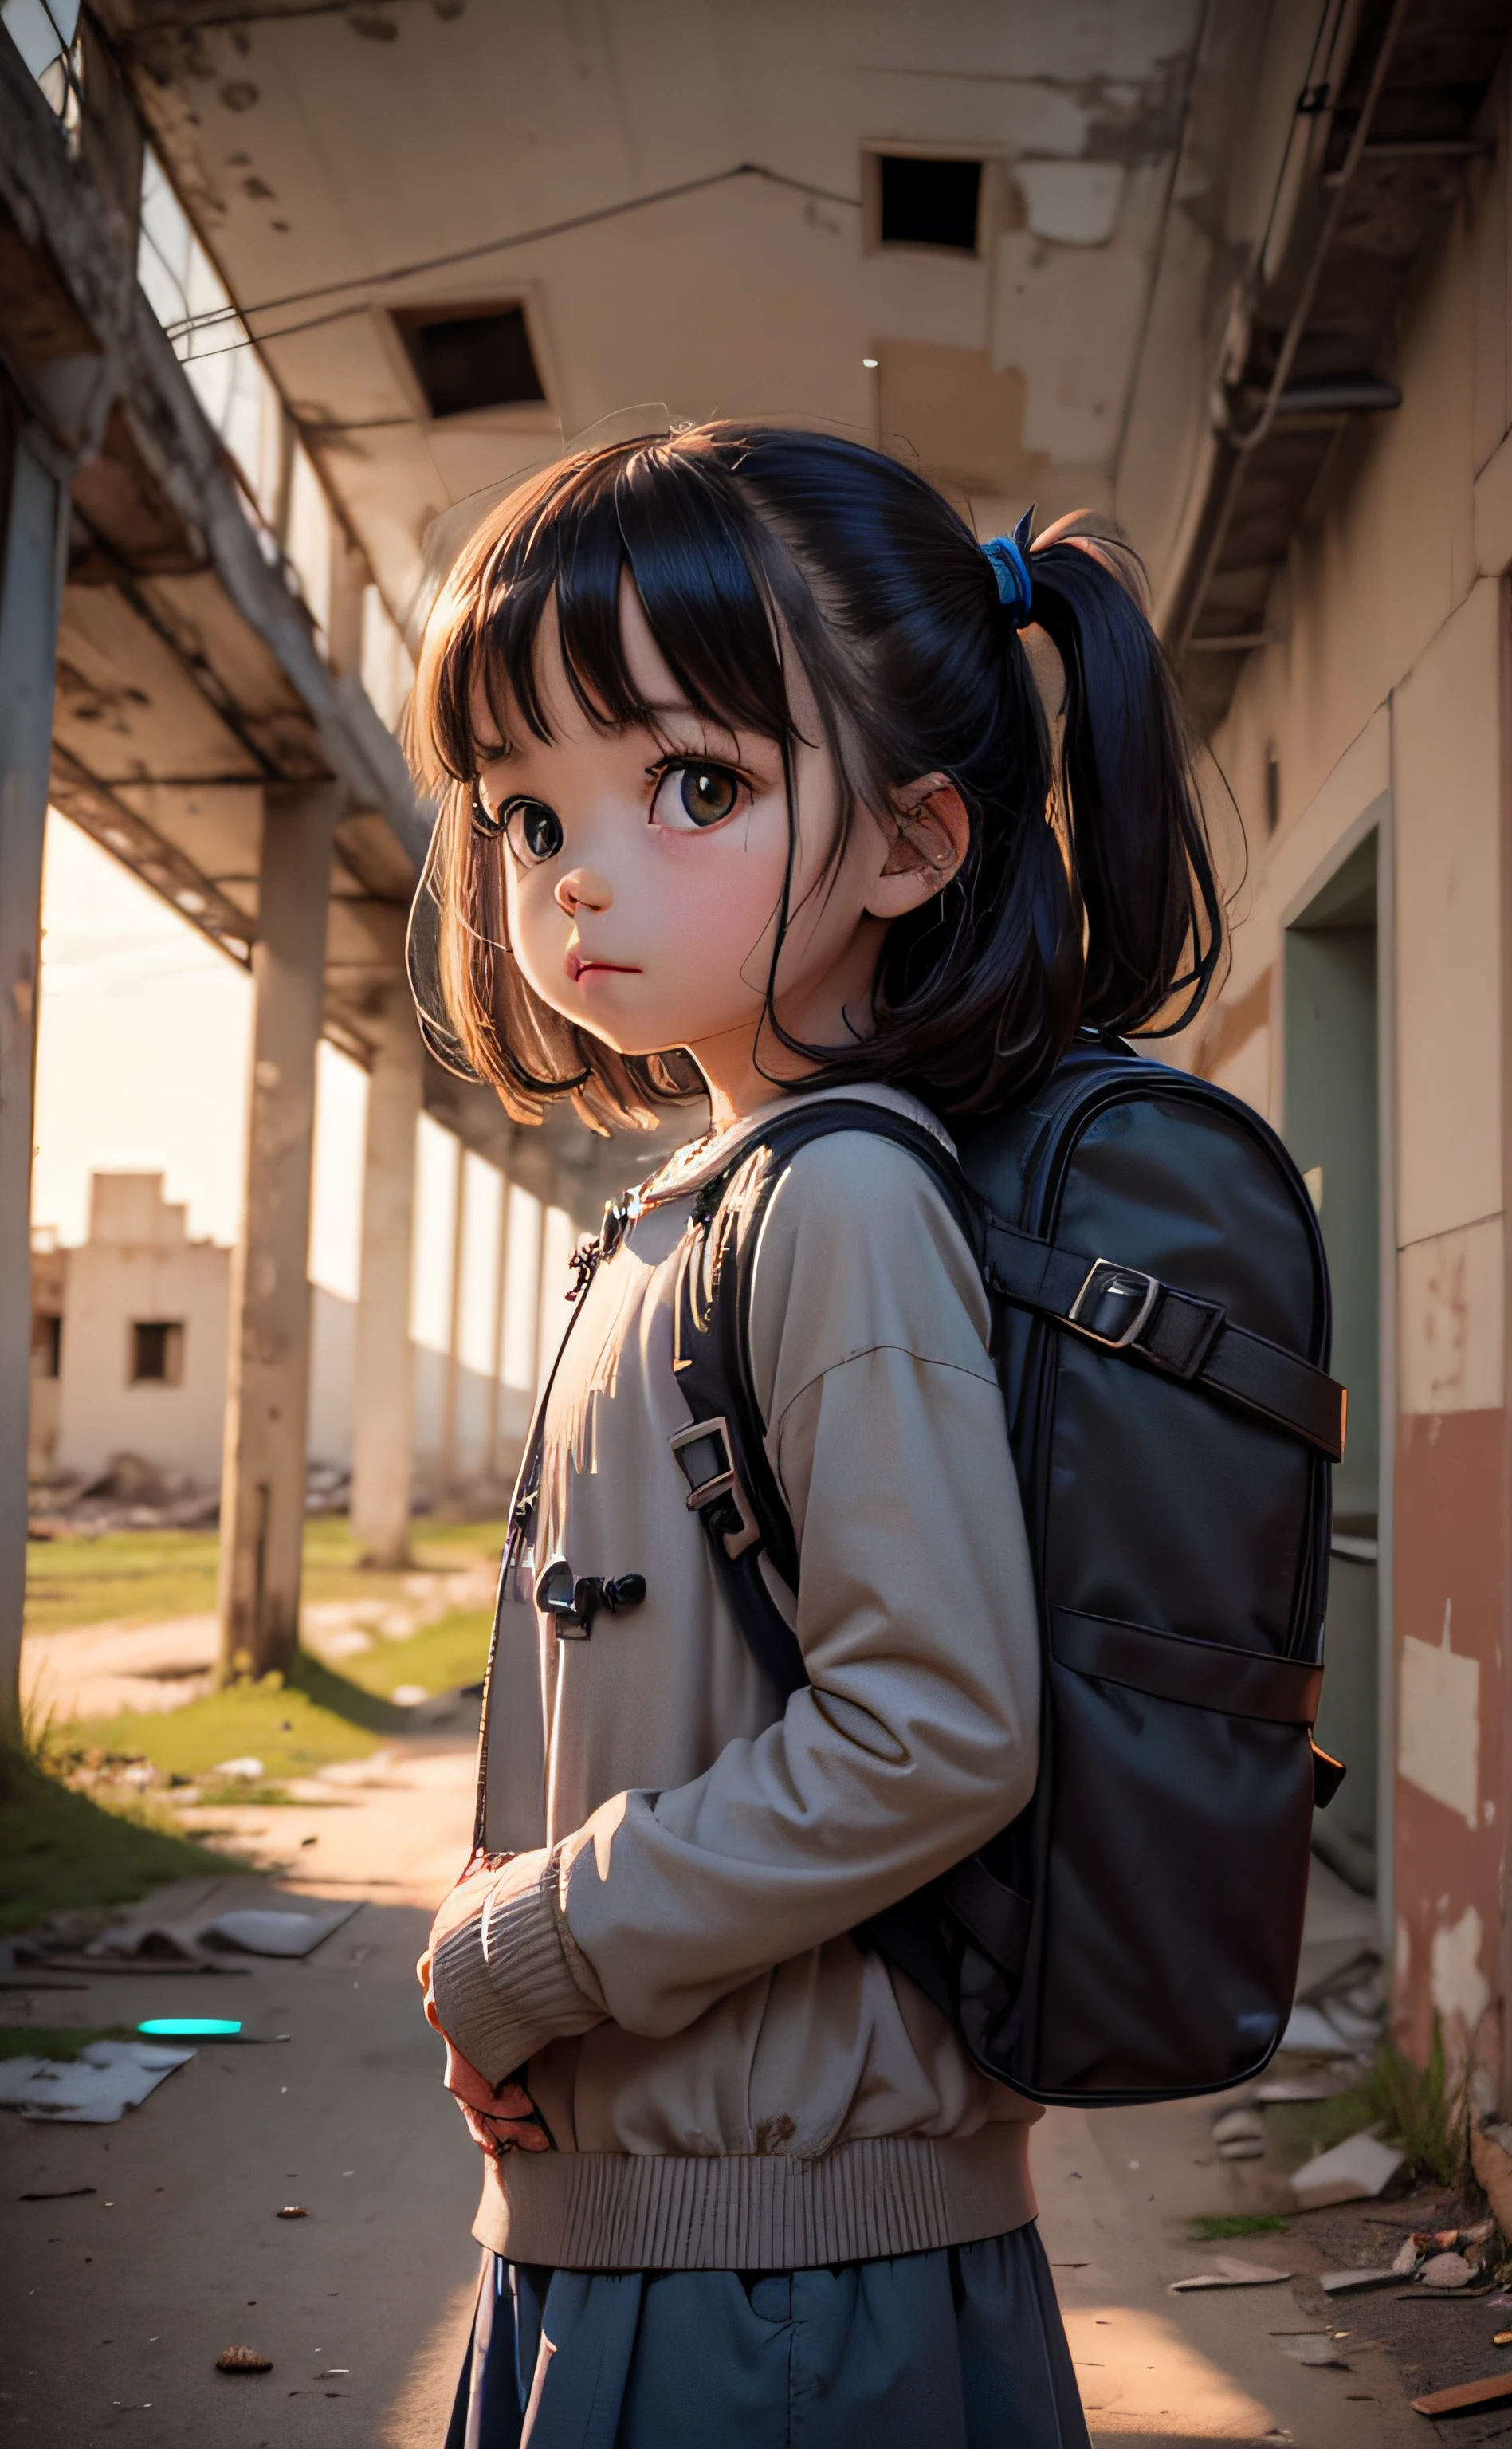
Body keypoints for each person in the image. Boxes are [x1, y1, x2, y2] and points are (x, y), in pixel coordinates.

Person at [410, 422, 1219, 2449]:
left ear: (911, 845)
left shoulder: (840, 1205)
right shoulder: (724, 1194)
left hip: (774, 2306)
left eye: (691, 785)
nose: (576, 869)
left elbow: (932, 1727)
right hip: (656, 2245)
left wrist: (531, 1945)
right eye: (523, 810)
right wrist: (517, 1976)